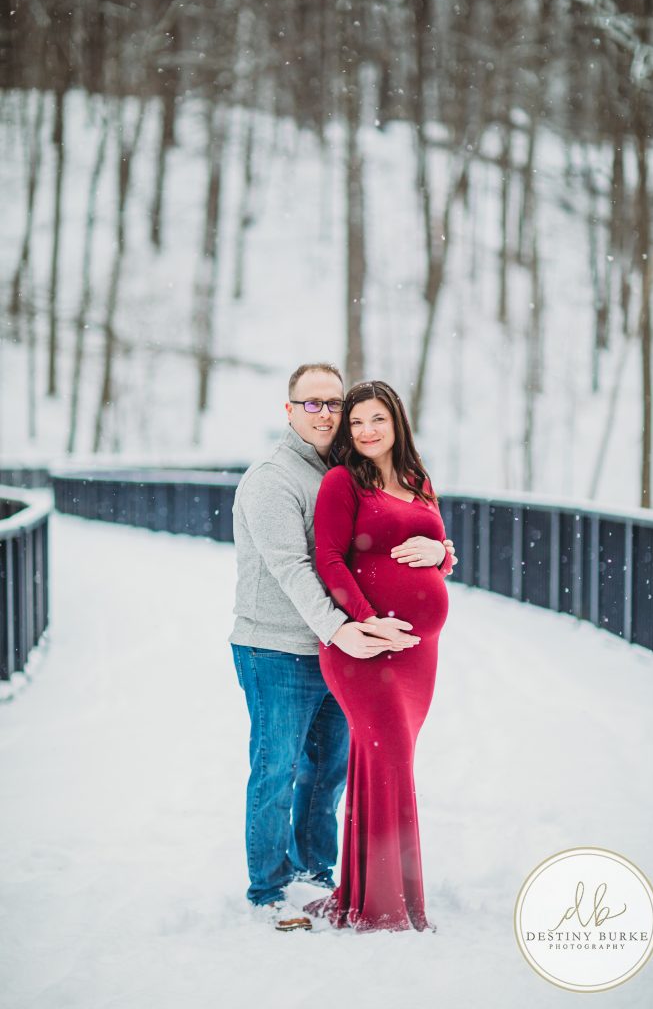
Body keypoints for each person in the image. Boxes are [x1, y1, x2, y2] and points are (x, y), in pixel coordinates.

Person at [229, 363, 453, 931]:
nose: (326, 414)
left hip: (343, 645)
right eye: (313, 404)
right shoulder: (272, 479)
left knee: (327, 769)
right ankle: (268, 889)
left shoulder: (347, 466)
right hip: (278, 645)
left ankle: (314, 869)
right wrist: (344, 626)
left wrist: (441, 554)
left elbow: (394, 535)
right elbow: (295, 567)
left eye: (334, 402)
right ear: (290, 410)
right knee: (276, 768)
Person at [304, 380, 454, 932]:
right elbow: (328, 559)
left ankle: (373, 891)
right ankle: (382, 906)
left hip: (419, 655)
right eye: (357, 422)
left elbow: (437, 553)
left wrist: (441, 552)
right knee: (387, 761)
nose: (367, 431)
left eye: (378, 420)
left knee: (389, 765)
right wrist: (369, 621)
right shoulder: (343, 482)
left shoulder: (418, 479)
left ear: (397, 424)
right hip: (364, 650)